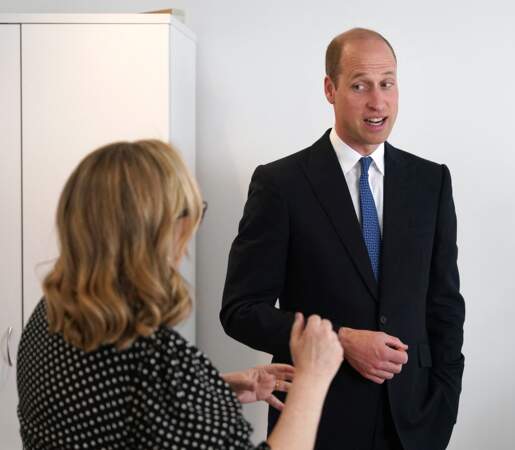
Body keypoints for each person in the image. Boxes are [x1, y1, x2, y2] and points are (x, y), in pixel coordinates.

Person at [221, 28, 465, 450]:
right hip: (316, 423)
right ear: (330, 89)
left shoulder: (431, 181)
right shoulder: (281, 184)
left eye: (387, 83)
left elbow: (444, 307)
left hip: (415, 424)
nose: (378, 101)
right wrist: (339, 339)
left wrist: (442, 406)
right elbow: (241, 310)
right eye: (360, 85)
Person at [16, 140, 343, 450]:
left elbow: (105, 405)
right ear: (160, 231)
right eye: (190, 214)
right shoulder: (154, 357)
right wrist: (312, 379)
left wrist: (211, 388)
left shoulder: (50, 314)